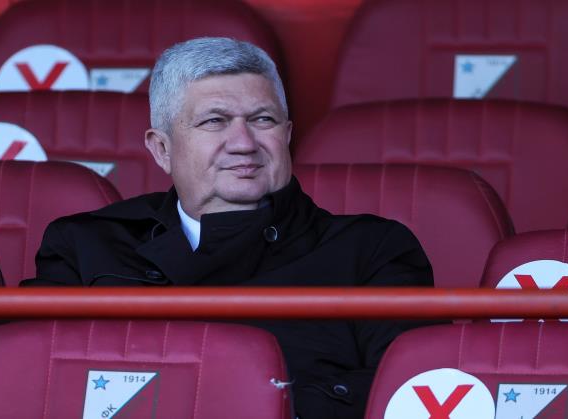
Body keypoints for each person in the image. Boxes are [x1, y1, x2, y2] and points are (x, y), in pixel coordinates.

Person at [22, 37, 433, 419]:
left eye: (263, 119)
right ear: (162, 149)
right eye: (215, 121)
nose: (243, 143)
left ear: (287, 136)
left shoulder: (373, 251)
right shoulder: (84, 245)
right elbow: (23, 382)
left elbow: (410, 392)